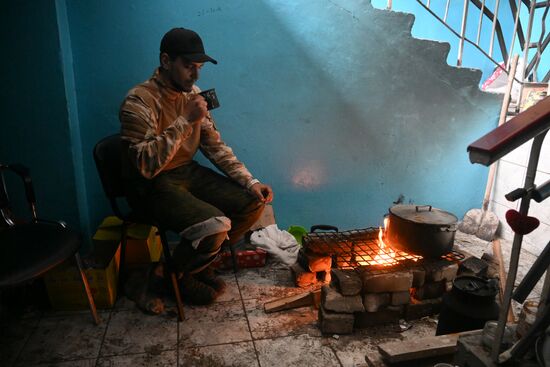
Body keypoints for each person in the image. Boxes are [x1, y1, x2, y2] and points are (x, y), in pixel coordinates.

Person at [119, 27, 273, 305]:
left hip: (187, 173)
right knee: (215, 226)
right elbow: (146, 166)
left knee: (252, 203)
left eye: (199, 67)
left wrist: (251, 182)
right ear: (166, 61)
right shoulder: (138, 101)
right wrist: (185, 120)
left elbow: (215, 146)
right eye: (189, 66)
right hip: (152, 183)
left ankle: (187, 270)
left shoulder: (194, 95)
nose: (196, 75)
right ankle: (171, 276)